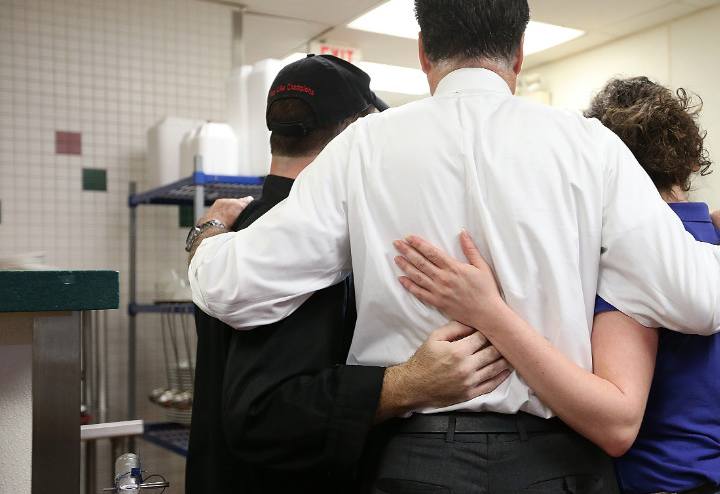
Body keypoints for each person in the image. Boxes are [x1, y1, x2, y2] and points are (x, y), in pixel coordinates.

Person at [188, 0, 720, 493]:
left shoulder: (364, 147)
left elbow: (233, 291)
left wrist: (207, 238)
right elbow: (703, 302)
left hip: (410, 466)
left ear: (422, 51)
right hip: (556, 468)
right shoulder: (589, 147)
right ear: (519, 52)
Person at [394, 78, 720, 494]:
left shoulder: (620, 260)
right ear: (691, 162)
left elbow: (613, 420)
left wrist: (488, 311)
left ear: (602, 165)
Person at [184, 54, 510, 493]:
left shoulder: (237, 232)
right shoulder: (310, 241)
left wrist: (204, 231)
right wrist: (406, 384)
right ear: (359, 128)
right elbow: (265, 413)